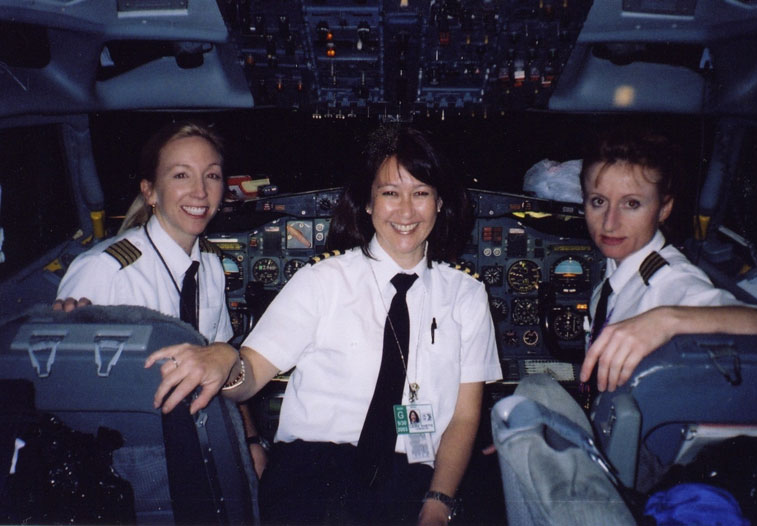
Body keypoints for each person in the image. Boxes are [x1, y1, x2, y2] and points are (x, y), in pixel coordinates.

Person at [145, 126, 502, 526]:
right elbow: (250, 375)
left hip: (419, 473)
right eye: (389, 193)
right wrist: (225, 359)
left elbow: (465, 417)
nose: (405, 211)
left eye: (420, 193)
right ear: (368, 203)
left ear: (439, 203)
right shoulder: (322, 280)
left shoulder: (467, 294)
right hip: (318, 469)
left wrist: (438, 503)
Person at [53, 120, 267, 476]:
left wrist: (250, 442)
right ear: (150, 191)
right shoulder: (104, 270)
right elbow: (63, 394)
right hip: (128, 454)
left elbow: (220, 356)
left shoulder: (211, 264)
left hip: (196, 434)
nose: (200, 192)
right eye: (182, 175)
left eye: (212, 176)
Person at [577, 127, 757, 393]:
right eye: (598, 201)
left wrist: (667, 320)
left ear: (664, 208)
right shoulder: (617, 268)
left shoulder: (671, 281)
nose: (610, 224)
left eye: (631, 204)